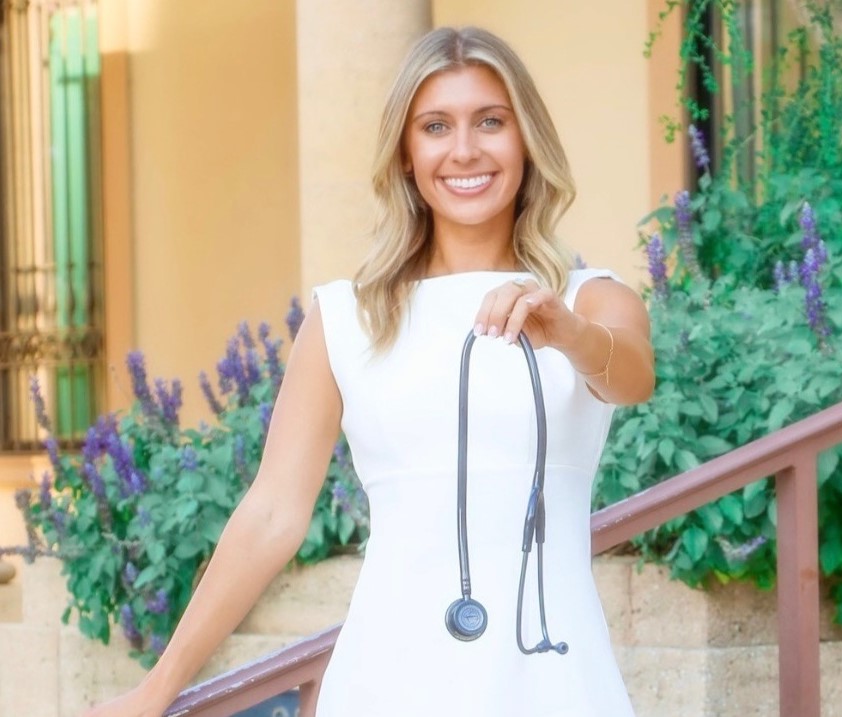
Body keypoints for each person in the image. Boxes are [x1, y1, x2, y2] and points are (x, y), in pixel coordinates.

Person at [83, 26, 654, 717]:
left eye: (491, 122)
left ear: (526, 138)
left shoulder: (592, 298)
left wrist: (566, 331)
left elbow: (630, 377)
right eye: (435, 126)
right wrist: (157, 687)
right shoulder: (345, 318)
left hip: (554, 678)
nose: (465, 149)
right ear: (406, 154)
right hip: (389, 678)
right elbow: (270, 514)